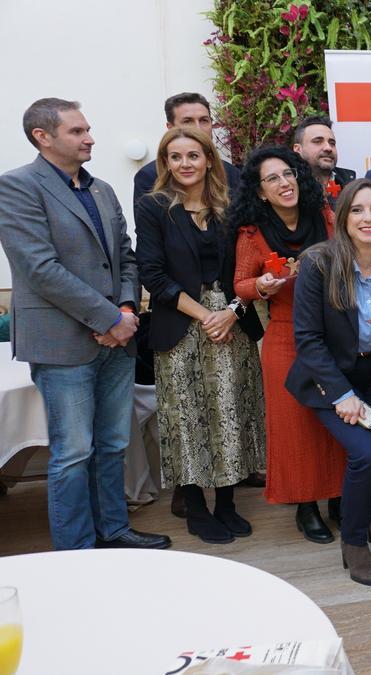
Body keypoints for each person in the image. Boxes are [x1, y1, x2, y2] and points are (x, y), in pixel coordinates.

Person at [0, 98, 170, 550]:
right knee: (73, 454)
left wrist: (128, 311)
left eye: (87, 129)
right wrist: (110, 317)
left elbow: (126, 259)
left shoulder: (103, 190)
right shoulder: (17, 187)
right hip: (61, 345)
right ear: (43, 136)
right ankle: (75, 553)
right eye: (77, 131)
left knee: (113, 444)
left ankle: (113, 532)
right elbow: (40, 269)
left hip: (117, 339)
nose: (90, 137)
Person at [134, 127, 266, 544]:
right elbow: (152, 274)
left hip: (232, 324)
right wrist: (205, 316)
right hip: (180, 327)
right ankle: (194, 506)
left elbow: (247, 272)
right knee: (187, 419)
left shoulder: (232, 207)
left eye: (194, 155)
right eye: (176, 157)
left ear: (209, 159)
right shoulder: (154, 207)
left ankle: (226, 503)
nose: (185, 163)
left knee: (232, 414)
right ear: (166, 164)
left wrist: (229, 313)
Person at [288, 178, 371, 586]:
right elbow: (307, 339)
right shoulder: (317, 263)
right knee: (368, 454)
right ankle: (355, 540)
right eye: (358, 209)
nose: (368, 218)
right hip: (330, 378)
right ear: (344, 218)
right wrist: (341, 395)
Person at [231, 146, 345, 544]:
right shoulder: (253, 233)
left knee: (337, 416)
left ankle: (339, 497)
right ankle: (305, 506)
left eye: (289, 174)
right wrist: (261, 286)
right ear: (260, 192)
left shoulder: (326, 218)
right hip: (284, 335)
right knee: (295, 425)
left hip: (332, 332)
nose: (285, 183)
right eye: (273, 179)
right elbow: (240, 285)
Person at [133, 92, 240, 205]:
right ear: (170, 128)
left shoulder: (232, 174)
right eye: (188, 121)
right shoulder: (149, 176)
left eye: (204, 120)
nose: (198, 128)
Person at [292, 115, 356, 208]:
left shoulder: (350, 185)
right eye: (318, 141)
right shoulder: (290, 187)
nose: (328, 148)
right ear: (298, 149)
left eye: (332, 143)